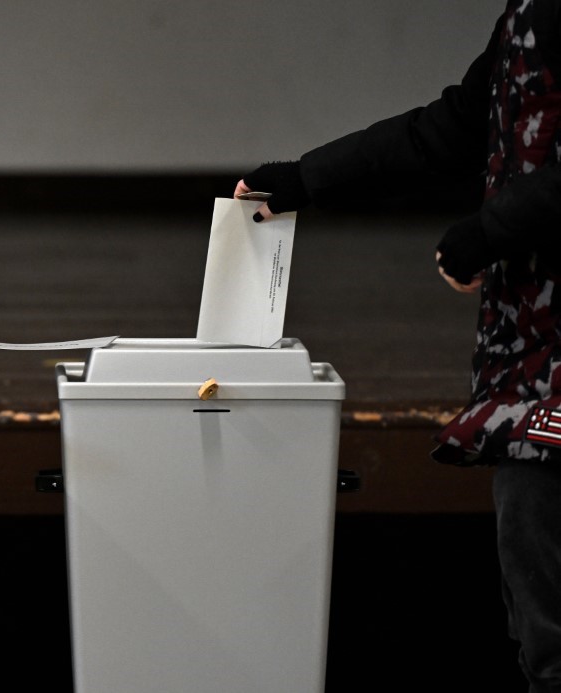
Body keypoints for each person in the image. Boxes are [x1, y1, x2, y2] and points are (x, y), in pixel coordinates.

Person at [235, 1, 561, 689]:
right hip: (531, 362)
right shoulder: (527, 12)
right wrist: (306, 178)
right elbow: (452, 127)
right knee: (539, 621)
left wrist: (491, 229)